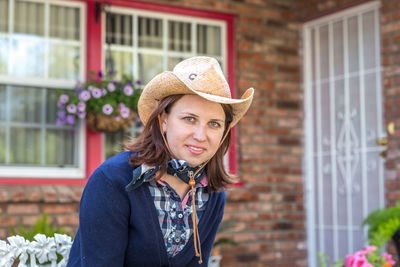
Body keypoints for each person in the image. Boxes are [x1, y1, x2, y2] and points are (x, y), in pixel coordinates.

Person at [67, 56, 254, 266]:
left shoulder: (213, 193)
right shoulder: (112, 180)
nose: (201, 136)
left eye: (214, 124)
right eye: (189, 119)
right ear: (163, 120)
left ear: (224, 131)